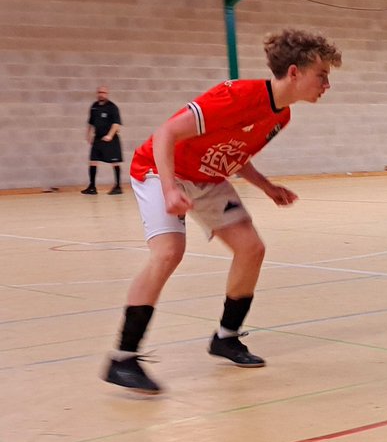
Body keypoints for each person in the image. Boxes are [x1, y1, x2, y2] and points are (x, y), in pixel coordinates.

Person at [102, 29, 342, 395]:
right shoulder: (236, 96)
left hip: (207, 176)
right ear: (294, 72)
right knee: (168, 252)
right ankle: (122, 358)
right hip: (160, 167)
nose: (326, 83)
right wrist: (168, 189)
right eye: (321, 74)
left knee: (252, 248)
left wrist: (266, 186)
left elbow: (235, 153)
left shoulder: (282, 117)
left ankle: (226, 338)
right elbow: (166, 133)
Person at [83, 85, 123, 195]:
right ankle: (92, 187)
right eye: (99, 92)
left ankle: (118, 186)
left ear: (107, 94)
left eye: (104, 92)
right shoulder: (94, 106)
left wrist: (110, 135)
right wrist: (88, 135)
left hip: (111, 139)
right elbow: (90, 122)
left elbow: (116, 124)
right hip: (98, 138)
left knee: (114, 162)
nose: (101, 94)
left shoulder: (112, 107)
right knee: (93, 161)